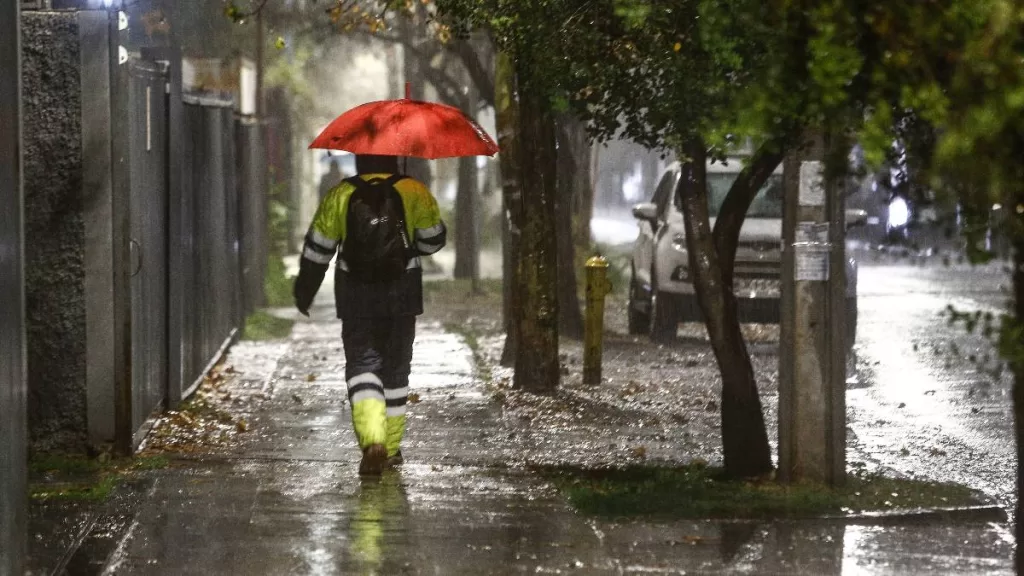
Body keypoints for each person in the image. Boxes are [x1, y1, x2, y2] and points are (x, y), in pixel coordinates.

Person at [293, 154, 447, 475]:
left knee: (362, 364)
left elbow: (318, 248)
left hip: (356, 293)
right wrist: (408, 244)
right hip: (403, 293)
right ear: (393, 157)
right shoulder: (412, 190)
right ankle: (389, 449)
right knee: (395, 370)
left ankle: (371, 440)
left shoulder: (341, 194)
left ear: (360, 158)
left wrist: (304, 291)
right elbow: (434, 240)